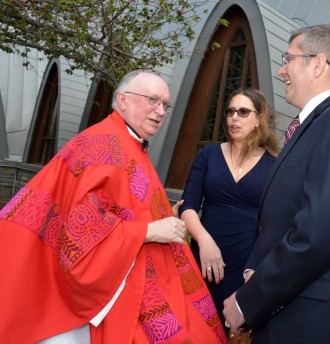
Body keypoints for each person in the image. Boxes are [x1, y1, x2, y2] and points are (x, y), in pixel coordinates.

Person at [0, 70, 226, 343]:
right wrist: (149, 230)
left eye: (165, 104)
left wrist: (162, 215)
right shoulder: (102, 143)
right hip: (115, 290)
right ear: (123, 100)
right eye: (153, 100)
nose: (161, 111)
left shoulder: (129, 140)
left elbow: (122, 203)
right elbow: (80, 229)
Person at [223, 24, 330, 343]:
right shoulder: (315, 124)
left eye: (289, 58)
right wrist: (257, 271)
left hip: (307, 322)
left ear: (318, 63)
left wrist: (248, 301)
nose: (281, 70)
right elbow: (282, 216)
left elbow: (318, 232)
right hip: (285, 309)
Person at [179, 88, 279, 326]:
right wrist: (204, 241)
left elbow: (273, 223)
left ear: (259, 119)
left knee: (225, 331)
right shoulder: (208, 154)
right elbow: (188, 206)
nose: (234, 117)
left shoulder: (274, 165)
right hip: (203, 257)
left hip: (244, 264)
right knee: (189, 325)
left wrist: (254, 271)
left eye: (243, 112)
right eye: (230, 111)